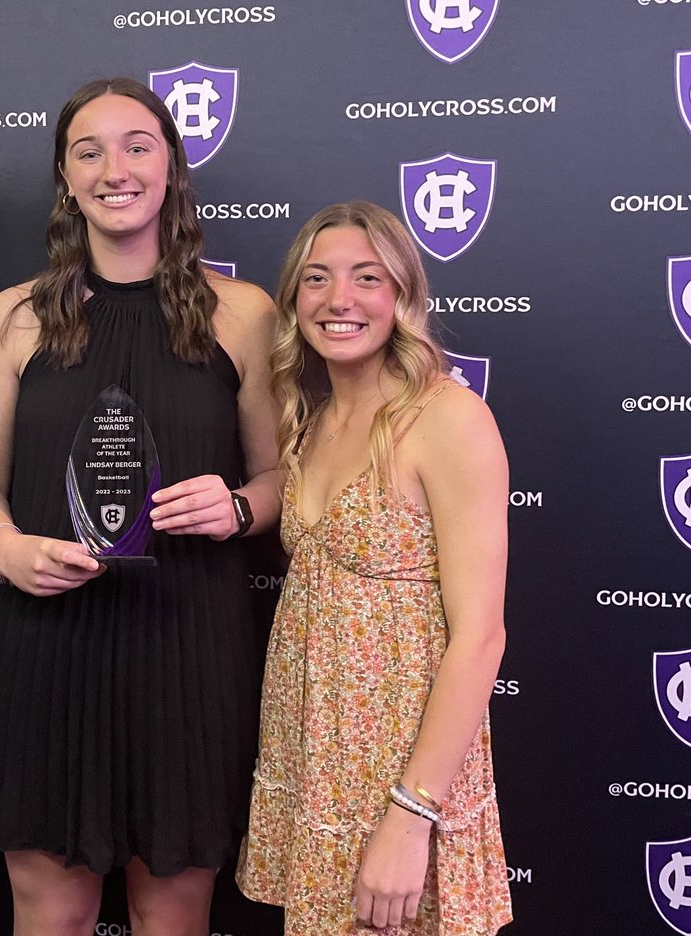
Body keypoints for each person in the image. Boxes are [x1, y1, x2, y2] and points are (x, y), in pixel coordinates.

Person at [0, 77, 283, 935]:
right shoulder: (15, 317)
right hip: (44, 648)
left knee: (170, 913)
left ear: (171, 165)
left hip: (188, 649)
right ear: (65, 179)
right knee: (49, 913)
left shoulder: (241, 314)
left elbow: (285, 482)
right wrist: (4, 548)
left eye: (137, 145)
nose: (115, 168)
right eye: (88, 150)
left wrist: (238, 509)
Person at [236, 201, 512, 934]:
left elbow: (481, 637)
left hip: (402, 776)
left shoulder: (447, 418)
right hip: (318, 764)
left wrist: (411, 814)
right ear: (295, 299)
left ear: (403, 296)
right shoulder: (313, 417)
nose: (339, 300)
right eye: (317, 279)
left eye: (367, 278)